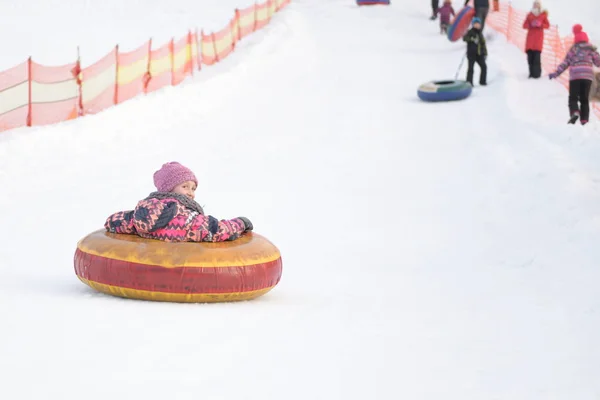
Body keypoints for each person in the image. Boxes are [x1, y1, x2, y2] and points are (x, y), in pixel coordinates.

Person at [105, 161, 253, 242]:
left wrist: (112, 222)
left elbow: (119, 221)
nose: (191, 193)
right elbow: (214, 229)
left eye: (193, 188)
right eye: (185, 187)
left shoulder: (142, 213)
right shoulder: (183, 216)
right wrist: (240, 223)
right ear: (169, 189)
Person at [549, 24, 600, 125]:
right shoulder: (590, 49)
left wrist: (556, 73)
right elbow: (598, 62)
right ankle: (584, 120)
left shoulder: (574, 49)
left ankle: (575, 112)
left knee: (573, 97)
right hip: (587, 78)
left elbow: (566, 62)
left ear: (576, 39)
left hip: (575, 77)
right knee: (584, 99)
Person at [522, 1, 550, 78]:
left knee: (536, 58)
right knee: (530, 58)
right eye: (534, 4)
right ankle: (531, 73)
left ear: (540, 6)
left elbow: (547, 25)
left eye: (537, 4)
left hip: (538, 40)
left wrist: (540, 24)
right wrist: (530, 24)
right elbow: (524, 25)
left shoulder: (543, 15)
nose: (536, 6)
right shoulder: (529, 15)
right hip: (530, 40)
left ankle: (537, 74)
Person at [463, 17, 487, 86]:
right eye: (475, 24)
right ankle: (469, 83)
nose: (477, 25)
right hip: (471, 54)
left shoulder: (480, 33)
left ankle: (482, 82)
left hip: (479, 54)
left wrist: (485, 53)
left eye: (478, 24)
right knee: (471, 69)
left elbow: (483, 44)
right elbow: (464, 38)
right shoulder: (470, 31)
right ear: (473, 24)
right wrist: (472, 39)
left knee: (484, 67)